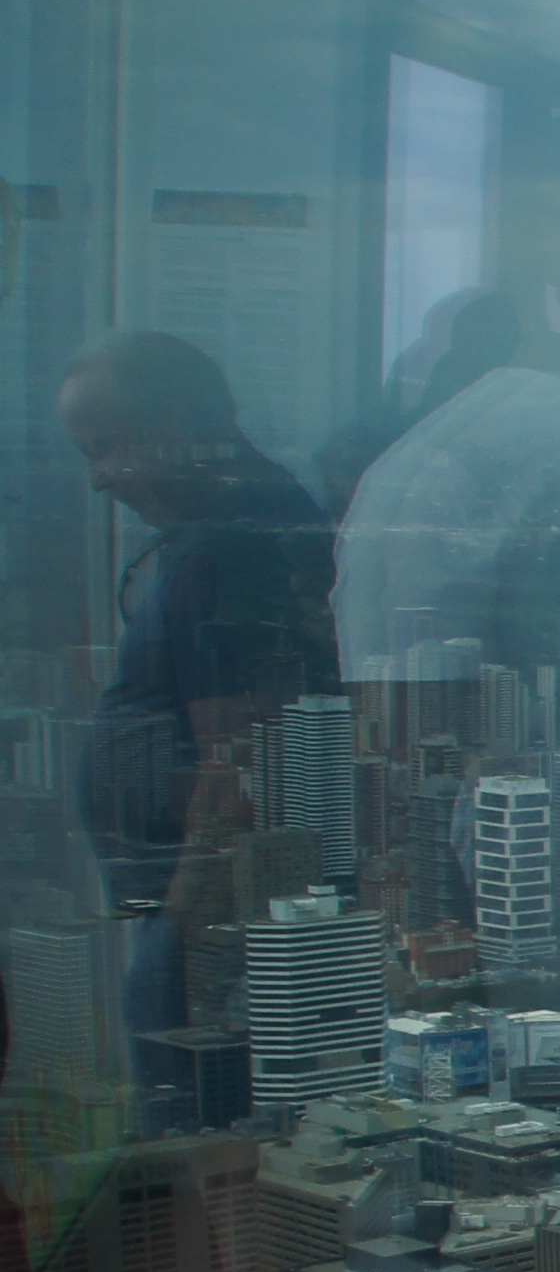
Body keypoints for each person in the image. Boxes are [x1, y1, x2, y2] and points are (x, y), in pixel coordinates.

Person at [58, 329, 340, 1040]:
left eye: (103, 448)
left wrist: (185, 950)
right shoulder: (249, 519)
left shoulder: (226, 546)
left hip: (209, 930)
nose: (97, 478)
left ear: (172, 428)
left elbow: (242, 768)